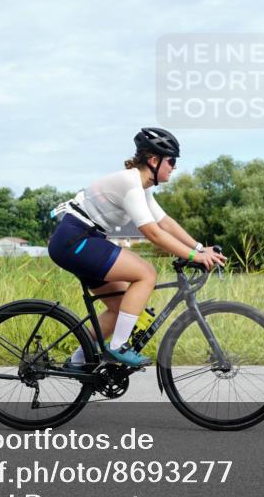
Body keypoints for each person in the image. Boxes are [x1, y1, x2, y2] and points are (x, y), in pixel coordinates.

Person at [47, 127, 226, 368]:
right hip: (76, 240)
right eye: (171, 161)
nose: (174, 167)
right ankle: (118, 346)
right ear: (153, 160)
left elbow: (164, 222)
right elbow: (153, 233)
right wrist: (194, 256)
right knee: (146, 273)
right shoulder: (131, 184)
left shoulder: (141, 187)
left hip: (82, 240)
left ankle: (78, 361)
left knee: (120, 307)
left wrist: (200, 248)